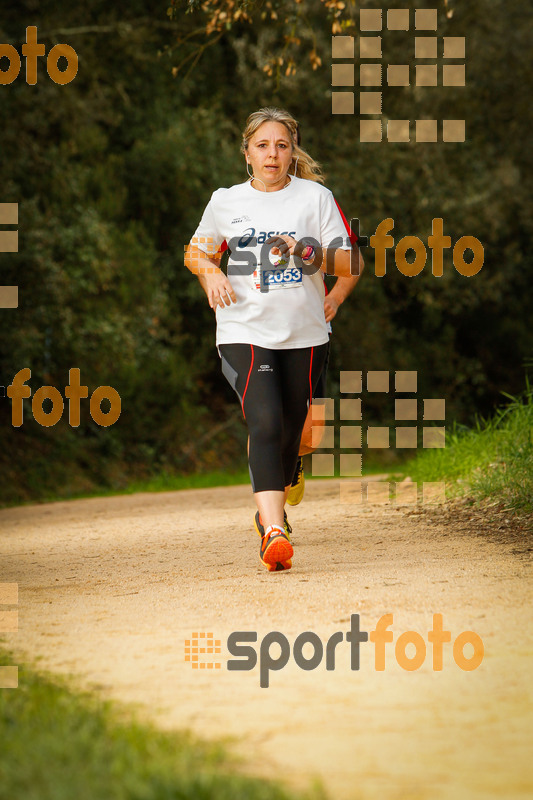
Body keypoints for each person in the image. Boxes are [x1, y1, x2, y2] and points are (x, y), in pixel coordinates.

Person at [185, 106, 364, 572]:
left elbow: (350, 264)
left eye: (281, 145)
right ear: (247, 153)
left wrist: (307, 250)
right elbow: (196, 252)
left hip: (304, 334)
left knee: (292, 434)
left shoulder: (315, 198)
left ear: (292, 151)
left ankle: (274, 504)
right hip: (243, 329)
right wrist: (210, 277)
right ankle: (273, 530)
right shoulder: (225, 200)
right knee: (263, 424)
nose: (272, 154)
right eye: (262, 145)